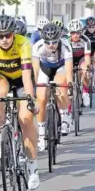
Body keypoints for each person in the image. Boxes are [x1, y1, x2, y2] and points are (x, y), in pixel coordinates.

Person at [0, 15, 40, 190]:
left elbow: (28, 77)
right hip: (2, 77)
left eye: (8, 35)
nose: (4, 39)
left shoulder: (23, 43)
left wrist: (30, 99)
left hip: (21, 80)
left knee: (26, 119)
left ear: (13, 34)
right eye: (0, 36)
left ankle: (32, 166)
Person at [32, 23, 73, 151]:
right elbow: (36, 70)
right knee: (42, 98)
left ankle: (65, 116)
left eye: (54, 42)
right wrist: (35, 86)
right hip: (45, 69)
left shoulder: (66, 45)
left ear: (59, 39)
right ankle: (42, 134)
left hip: (60, 67)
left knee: (61, 86)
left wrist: (70, 83)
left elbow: (68, 68)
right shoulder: (38, 46)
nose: (51, 45)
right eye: (48, 42)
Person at [67, 19, 92, 107]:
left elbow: (87, 56)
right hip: (70, 58)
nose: (76, 35)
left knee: (85, 70)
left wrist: (88, 69)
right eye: (73, 33)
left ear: (81, 32)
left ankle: (85, 93)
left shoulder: (86, 40)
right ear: (70, 33)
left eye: (78, 33)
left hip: (82, 57)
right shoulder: (66, 40)